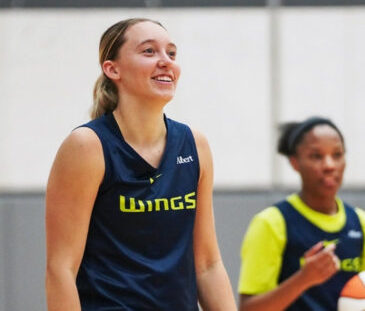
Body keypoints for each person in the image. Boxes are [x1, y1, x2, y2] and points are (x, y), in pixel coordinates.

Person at [45, 18, 236, 311]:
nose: (165, 62)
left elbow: (208, 265)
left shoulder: (194, 145)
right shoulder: (87, 146)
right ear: (112, 69)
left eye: (171, 53)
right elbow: (61, 270)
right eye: (149, 51)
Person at [238, 116, 365, 311]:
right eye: (316, 156)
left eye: (337, 155)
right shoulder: (272, 222)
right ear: (295, 162)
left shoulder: (359, 221)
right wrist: (304, 279)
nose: (330, 165)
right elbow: (249, 308)